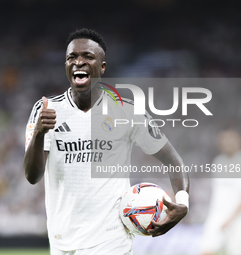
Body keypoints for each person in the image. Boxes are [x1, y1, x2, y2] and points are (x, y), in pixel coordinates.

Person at [23, 28, 189, 255]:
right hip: (62, 241)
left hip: (111, 241)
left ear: (102, 67)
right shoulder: (46, 110)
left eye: (88, 57)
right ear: (65, 67)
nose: (78, 62)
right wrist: (40, 133)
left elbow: (173, 160)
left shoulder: (128, 111)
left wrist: (183, 202)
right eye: (72, 57)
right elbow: (33, 177)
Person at [200, 129, 241, 255]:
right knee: (206, 249)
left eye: (230, 139)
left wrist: (231, 218)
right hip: (216, 215)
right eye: (223, 140)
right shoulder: (218, 162)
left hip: (237, 217)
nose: (226, 143)